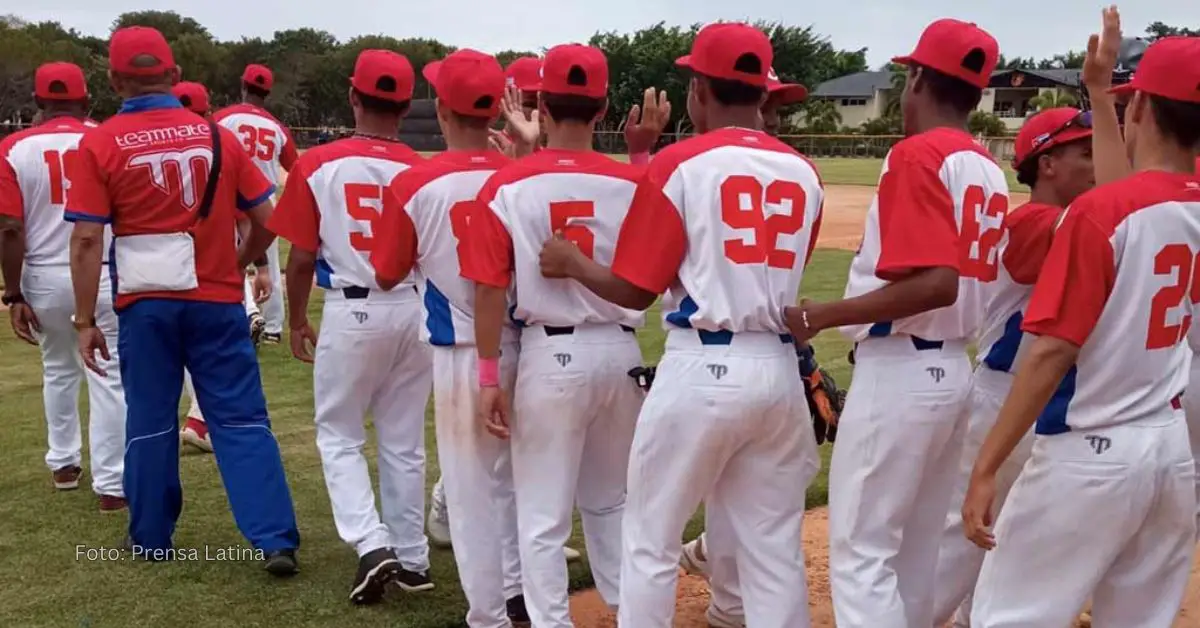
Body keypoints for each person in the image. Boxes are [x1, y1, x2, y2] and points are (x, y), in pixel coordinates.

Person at [536, 23, 824, 627]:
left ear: (698, 90)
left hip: (702, 365)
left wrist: (573, 263)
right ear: (763, 95)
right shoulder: (805, 172)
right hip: (776, 370)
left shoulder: (681, 162)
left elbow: (637, 286)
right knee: (771, 550)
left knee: (650, 541)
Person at [962, 35, 1200, 627]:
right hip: (1171, 449)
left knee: (1011, 615)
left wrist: (987, 466)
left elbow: (1052, 352)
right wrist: (1097, 90)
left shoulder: (1100, 214)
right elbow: (1134, 197)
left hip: (1090, 448)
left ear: (1140, 107)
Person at [783, 18, 1005, 628]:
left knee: (861, 554)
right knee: (912, 556)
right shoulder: (987, 166)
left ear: (917, 80)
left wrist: (824, 314)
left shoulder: (918, 155)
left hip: (901, 372)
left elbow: (935, 281)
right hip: (954, 369)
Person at [65, 26, 299, 571]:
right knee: (240, 418)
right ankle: (274, 538)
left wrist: (82, 318)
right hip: (216, 299)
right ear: (173, 76)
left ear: (114, 78)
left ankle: (150, 535)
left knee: (149, 417)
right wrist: (240, 262)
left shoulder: (98, 143)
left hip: (144, 304)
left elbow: (84, 238)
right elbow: (269, 220)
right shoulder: (220, 136)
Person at [463, 43, 645, 628]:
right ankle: (632, 613)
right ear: (605, 107)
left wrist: (489, 374)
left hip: (551, 355)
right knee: (612, 504)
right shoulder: (636, 183)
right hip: (621, 351)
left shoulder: (507, 185)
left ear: (541, 103)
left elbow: (489, 290)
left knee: (541, 519)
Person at [371, 47, 530, 628]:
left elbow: (387, 272)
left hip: (464, 352)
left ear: (440, 109)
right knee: (518, 485)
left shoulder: (416, 181)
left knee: (469, 495)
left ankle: (488, 615)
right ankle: (522, 598)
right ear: (495, 110)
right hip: (528, 344)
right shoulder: (519, 173)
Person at [268, 48, 433, 603]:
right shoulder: (421, 166)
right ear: (407, 105)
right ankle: (411, 556)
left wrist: (293, 319)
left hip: (353, 306)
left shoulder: (317, 162)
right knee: (404, 440)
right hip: (413, 306)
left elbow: (299, 257)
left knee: (339, 434)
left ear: (352, 94)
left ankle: (371, 541)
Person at [929, 106, 1095, 627]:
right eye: (1086, 154)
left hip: (1044, 402)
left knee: (1009, 534)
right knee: (962, 535)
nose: (1099, 165)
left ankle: (973, 615)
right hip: (1001, 398)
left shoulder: (1064, 221)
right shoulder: (1032, 222)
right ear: (1046, 163)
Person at [0, 62, 126, 511]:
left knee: (58, 368)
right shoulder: (110, 135)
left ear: (37, 103)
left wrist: (13, 292)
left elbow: (10, 228)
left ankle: (64, 464)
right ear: (86, 99)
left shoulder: (13, 146)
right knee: (108, 377)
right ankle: (112, 485)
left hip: (45, 271)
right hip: (105, 265)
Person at [169, 79, 272, 453]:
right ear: (209, 112)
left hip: (163, 267)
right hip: (216, 264)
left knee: (177, 348)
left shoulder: (152, 143)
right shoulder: (220, 144)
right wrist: (252, 265)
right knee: (212, 349)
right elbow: (257, 218)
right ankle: (203, 419)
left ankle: (194, 420)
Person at [215, 64, 298, 344]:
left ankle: (238, 316)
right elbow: (294, 168)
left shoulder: (223, 118)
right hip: (265, 200)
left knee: (228, 261)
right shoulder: (277, 127)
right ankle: (273, 328)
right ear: (267, 92)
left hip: (227, 198)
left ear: (244, 85)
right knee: (269, 264)